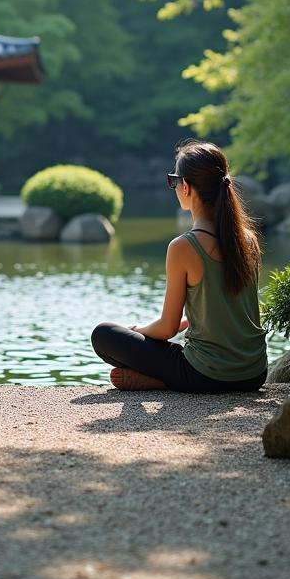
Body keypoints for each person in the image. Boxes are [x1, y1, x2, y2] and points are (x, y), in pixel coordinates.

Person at [91, 140, 268, 392]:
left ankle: (161, 382)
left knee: (104, 334)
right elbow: (231, 311)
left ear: (185, 186)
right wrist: (190, 321)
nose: (174, 187)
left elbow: (166, 328)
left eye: (174, 180)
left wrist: (137, 330)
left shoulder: (183, 247)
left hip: (206, 376)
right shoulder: (248, 240)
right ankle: (164, 379)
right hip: (254, 374)